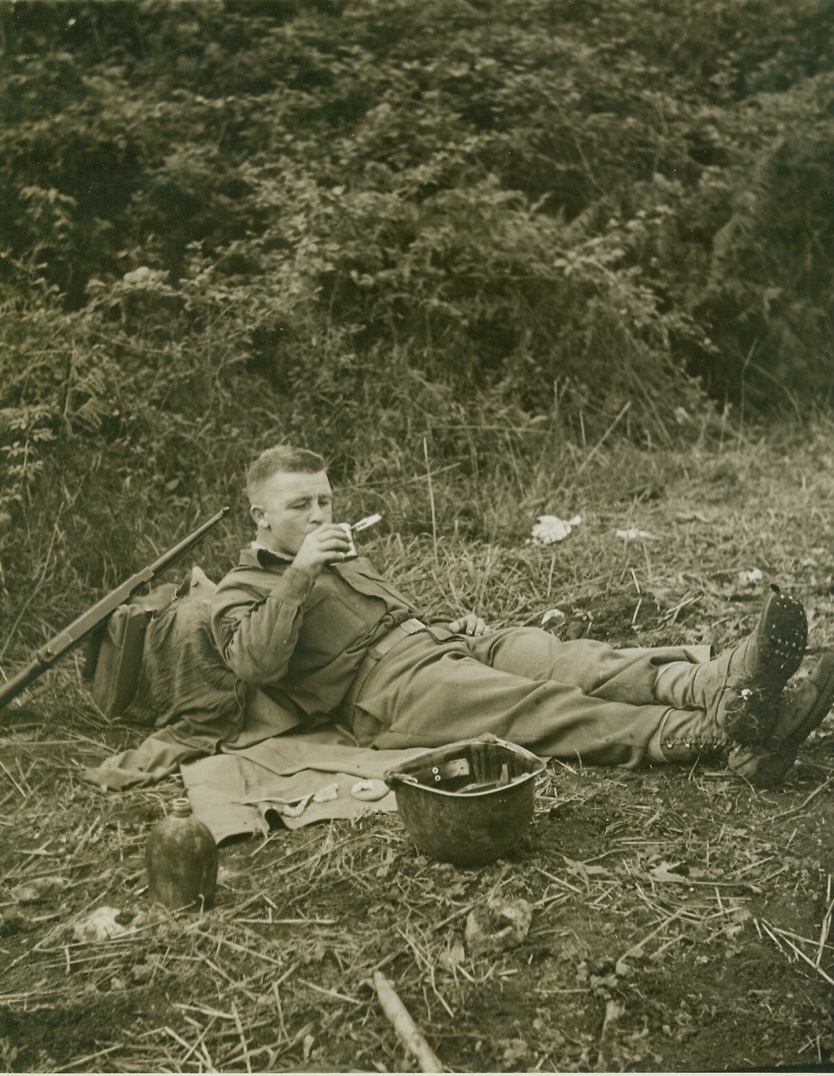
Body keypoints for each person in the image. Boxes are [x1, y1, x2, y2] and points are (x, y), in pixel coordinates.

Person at [210, 446, 834, 789]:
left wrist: (448, 625)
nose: (320, 516)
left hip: (441, 644)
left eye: (325, 500)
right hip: (388, 694)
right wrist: (298, 575)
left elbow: (379, 614)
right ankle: (722, 737)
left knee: (571, 658)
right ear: (259, 516)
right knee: (538, 704)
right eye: (300, 506)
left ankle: (720, 685)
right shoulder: (240, 589)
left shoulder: (338, 554)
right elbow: (257, 663)